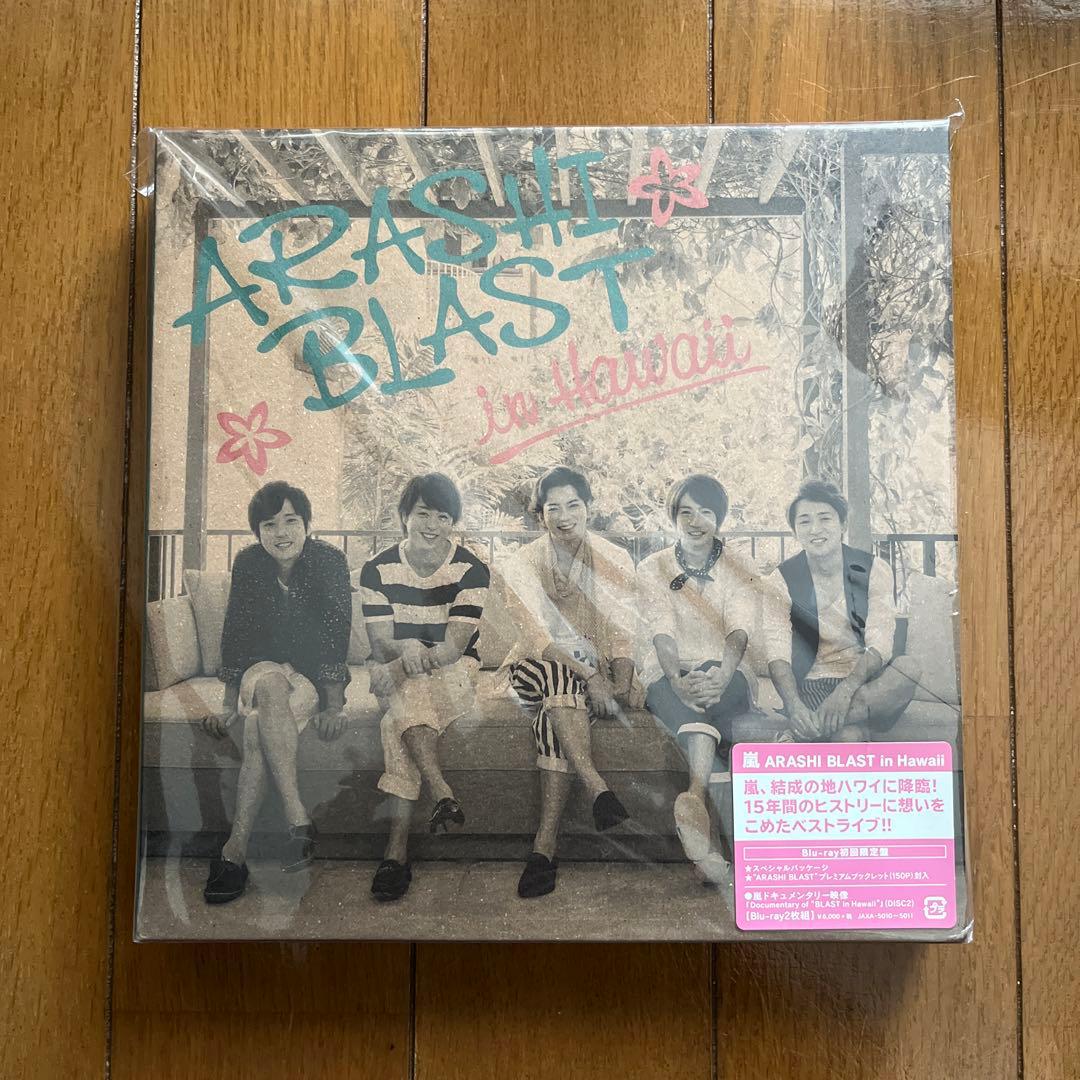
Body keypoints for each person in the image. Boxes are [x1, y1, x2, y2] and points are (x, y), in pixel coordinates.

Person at [202, 481, 352, 904]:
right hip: (260, 671)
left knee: (256, 730)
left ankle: (234, 851)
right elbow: (235, 632)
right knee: (268, 685)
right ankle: (297, 817)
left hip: (307, 679)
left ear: (307, 524)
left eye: (290, 521)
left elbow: (335, 635)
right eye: (269, 525)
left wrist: (334, 705)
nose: (281, 533)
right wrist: (227, 704)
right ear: (258, 532)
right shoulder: (248, 563)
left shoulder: (329, 561)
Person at [501, 466, 638, 899]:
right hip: (531, 669)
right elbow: (538, 640)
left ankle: (544, 848)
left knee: (554, 715)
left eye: (573, 505)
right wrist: (592, 677)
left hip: (577, 683)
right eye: (553, 508)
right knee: (559, 674)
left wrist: (618, 683)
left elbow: (622, 630)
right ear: (539, 514)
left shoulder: (615, 558)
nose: (564, 517)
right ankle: (595, 784)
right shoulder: (522, 562)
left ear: (589, 508)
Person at [359, 473, 490, 902]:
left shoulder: (471, 569)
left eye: (443, 517)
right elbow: (380, 641)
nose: (432, 525)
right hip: (404, 666)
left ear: (453, 522)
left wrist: (401, 665)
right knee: (409, 702)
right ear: (404, 516)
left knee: (397, 712)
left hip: (456, 671)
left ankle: (395, 853)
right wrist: (405, 651)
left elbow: (453, 648)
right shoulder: (377, 569)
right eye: (422, 514)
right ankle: (441, 793)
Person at [638, 474, 757, 883]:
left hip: (728, 671)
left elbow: (739, 628)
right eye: (685, 512)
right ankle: (713, 851)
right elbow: (662, 629)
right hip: (669, 670)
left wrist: (722, 674)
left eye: (705, 511)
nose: (695, 521)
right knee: (704, 715)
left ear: (719, 518)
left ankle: (694, 797)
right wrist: (675, 678)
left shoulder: (740, 566)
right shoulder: (653, 567)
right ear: (673, 517)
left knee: (708, 708)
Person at [763, 480, 922, 742]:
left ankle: (801, 734)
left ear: (843, 524)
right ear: (794, 531)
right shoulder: (781, 579)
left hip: (864, 682)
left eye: (825, 518)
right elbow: (777, 652)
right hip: (813, 683)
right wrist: (794, 707)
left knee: (909, 667)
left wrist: (845, 692)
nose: (815, 529)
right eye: (804, 521)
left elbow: (880, 644)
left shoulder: (874, 569)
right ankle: (828, 724)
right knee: (850, 737)